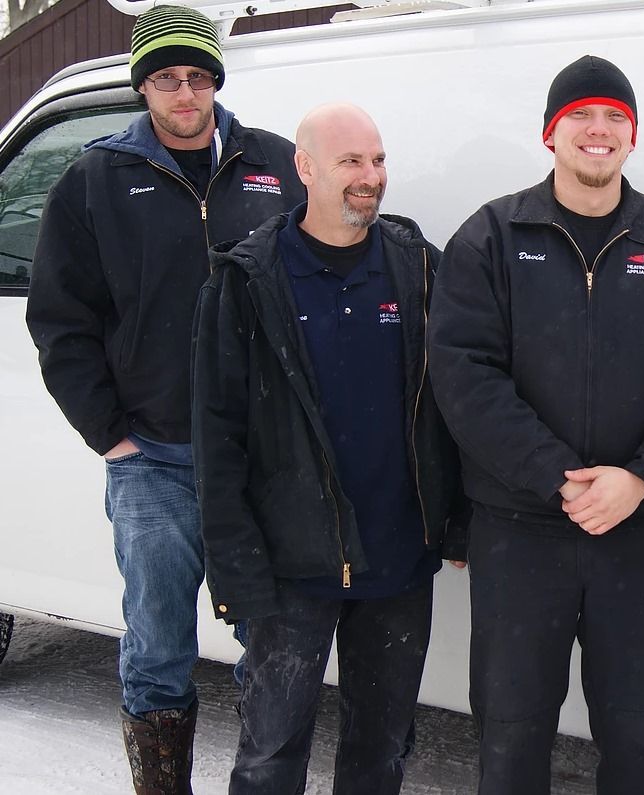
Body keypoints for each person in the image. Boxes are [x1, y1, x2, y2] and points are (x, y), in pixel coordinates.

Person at [427, 55, 644, 795]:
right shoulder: (493, 237)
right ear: (550, 133)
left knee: (636, 738)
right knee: (511, 734)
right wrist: (554, 476)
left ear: (631, 137)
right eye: (581, 117)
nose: (597, 131)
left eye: (614, 118)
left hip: (638, 535)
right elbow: (463, 374)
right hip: (520, 533)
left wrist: (641, 477)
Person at [24, 5, 303, 791]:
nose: (185, 93)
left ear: (215, 79)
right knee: (156, 646)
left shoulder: (275, 164)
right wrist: (110, 434)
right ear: (143, 87)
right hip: (155, 460)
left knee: (272, 640)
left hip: (260, 460)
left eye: (197, 77)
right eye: (166, 79)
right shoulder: (95, 178)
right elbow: (61, 320)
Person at [191, 102, 466, 794]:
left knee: (379, 754)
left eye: (377, 160)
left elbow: (457, 403)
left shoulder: (417, 268)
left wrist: (457, 518)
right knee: (269, 756)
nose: (369, 177)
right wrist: (236, 567)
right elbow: (217, 436)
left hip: (398, 565)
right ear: (305, 168)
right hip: (291, 568)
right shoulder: (247, 281)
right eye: (351, 162)